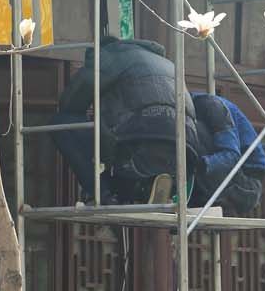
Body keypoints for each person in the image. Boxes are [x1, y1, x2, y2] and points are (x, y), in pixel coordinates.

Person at [51, 36, 199, 205]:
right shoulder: (168, 64)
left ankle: (102, 194)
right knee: (130, 154)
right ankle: (149, 187)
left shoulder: (108, 56)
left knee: (62, 123)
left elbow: (70, 102)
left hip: (138, 138)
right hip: (185, 149)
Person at [192, 92, 265, 215]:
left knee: (193, 132)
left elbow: (231, 156)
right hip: (221, 179)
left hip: (247, 180)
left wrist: (198, 165)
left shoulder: (211, 106)